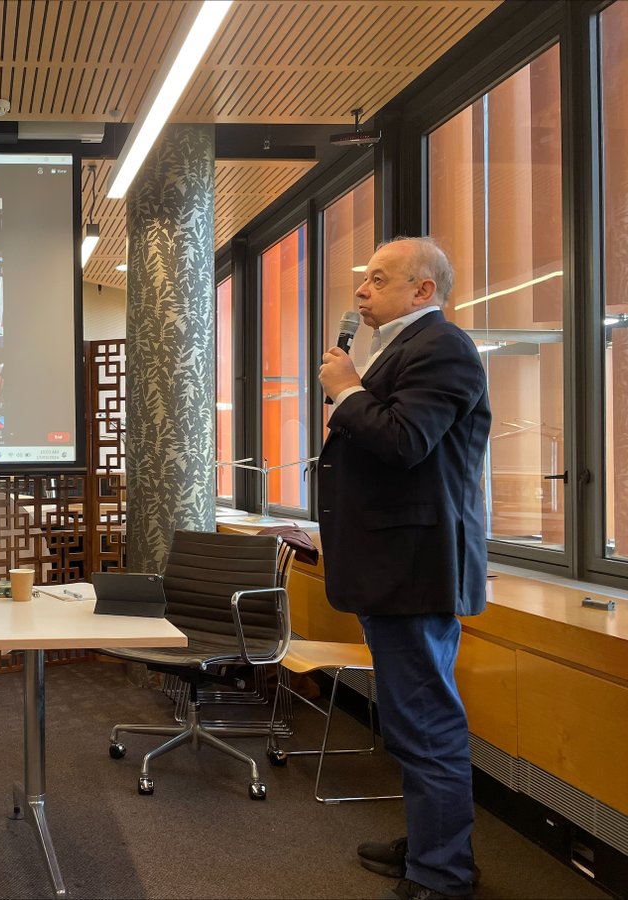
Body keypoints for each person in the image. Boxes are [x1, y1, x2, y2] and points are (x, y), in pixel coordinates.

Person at [317, 236, 490, 900]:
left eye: (378, 280)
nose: (361, 290)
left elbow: (405, 442)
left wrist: (347, 390)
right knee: (410, 719)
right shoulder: (403, 349)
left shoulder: (443, 348)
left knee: (425, 722)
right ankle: (429, 844)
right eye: (363, 280)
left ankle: (442, 874)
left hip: (415, 569)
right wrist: (355, 389)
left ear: (423, 290)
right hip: (394, 566)